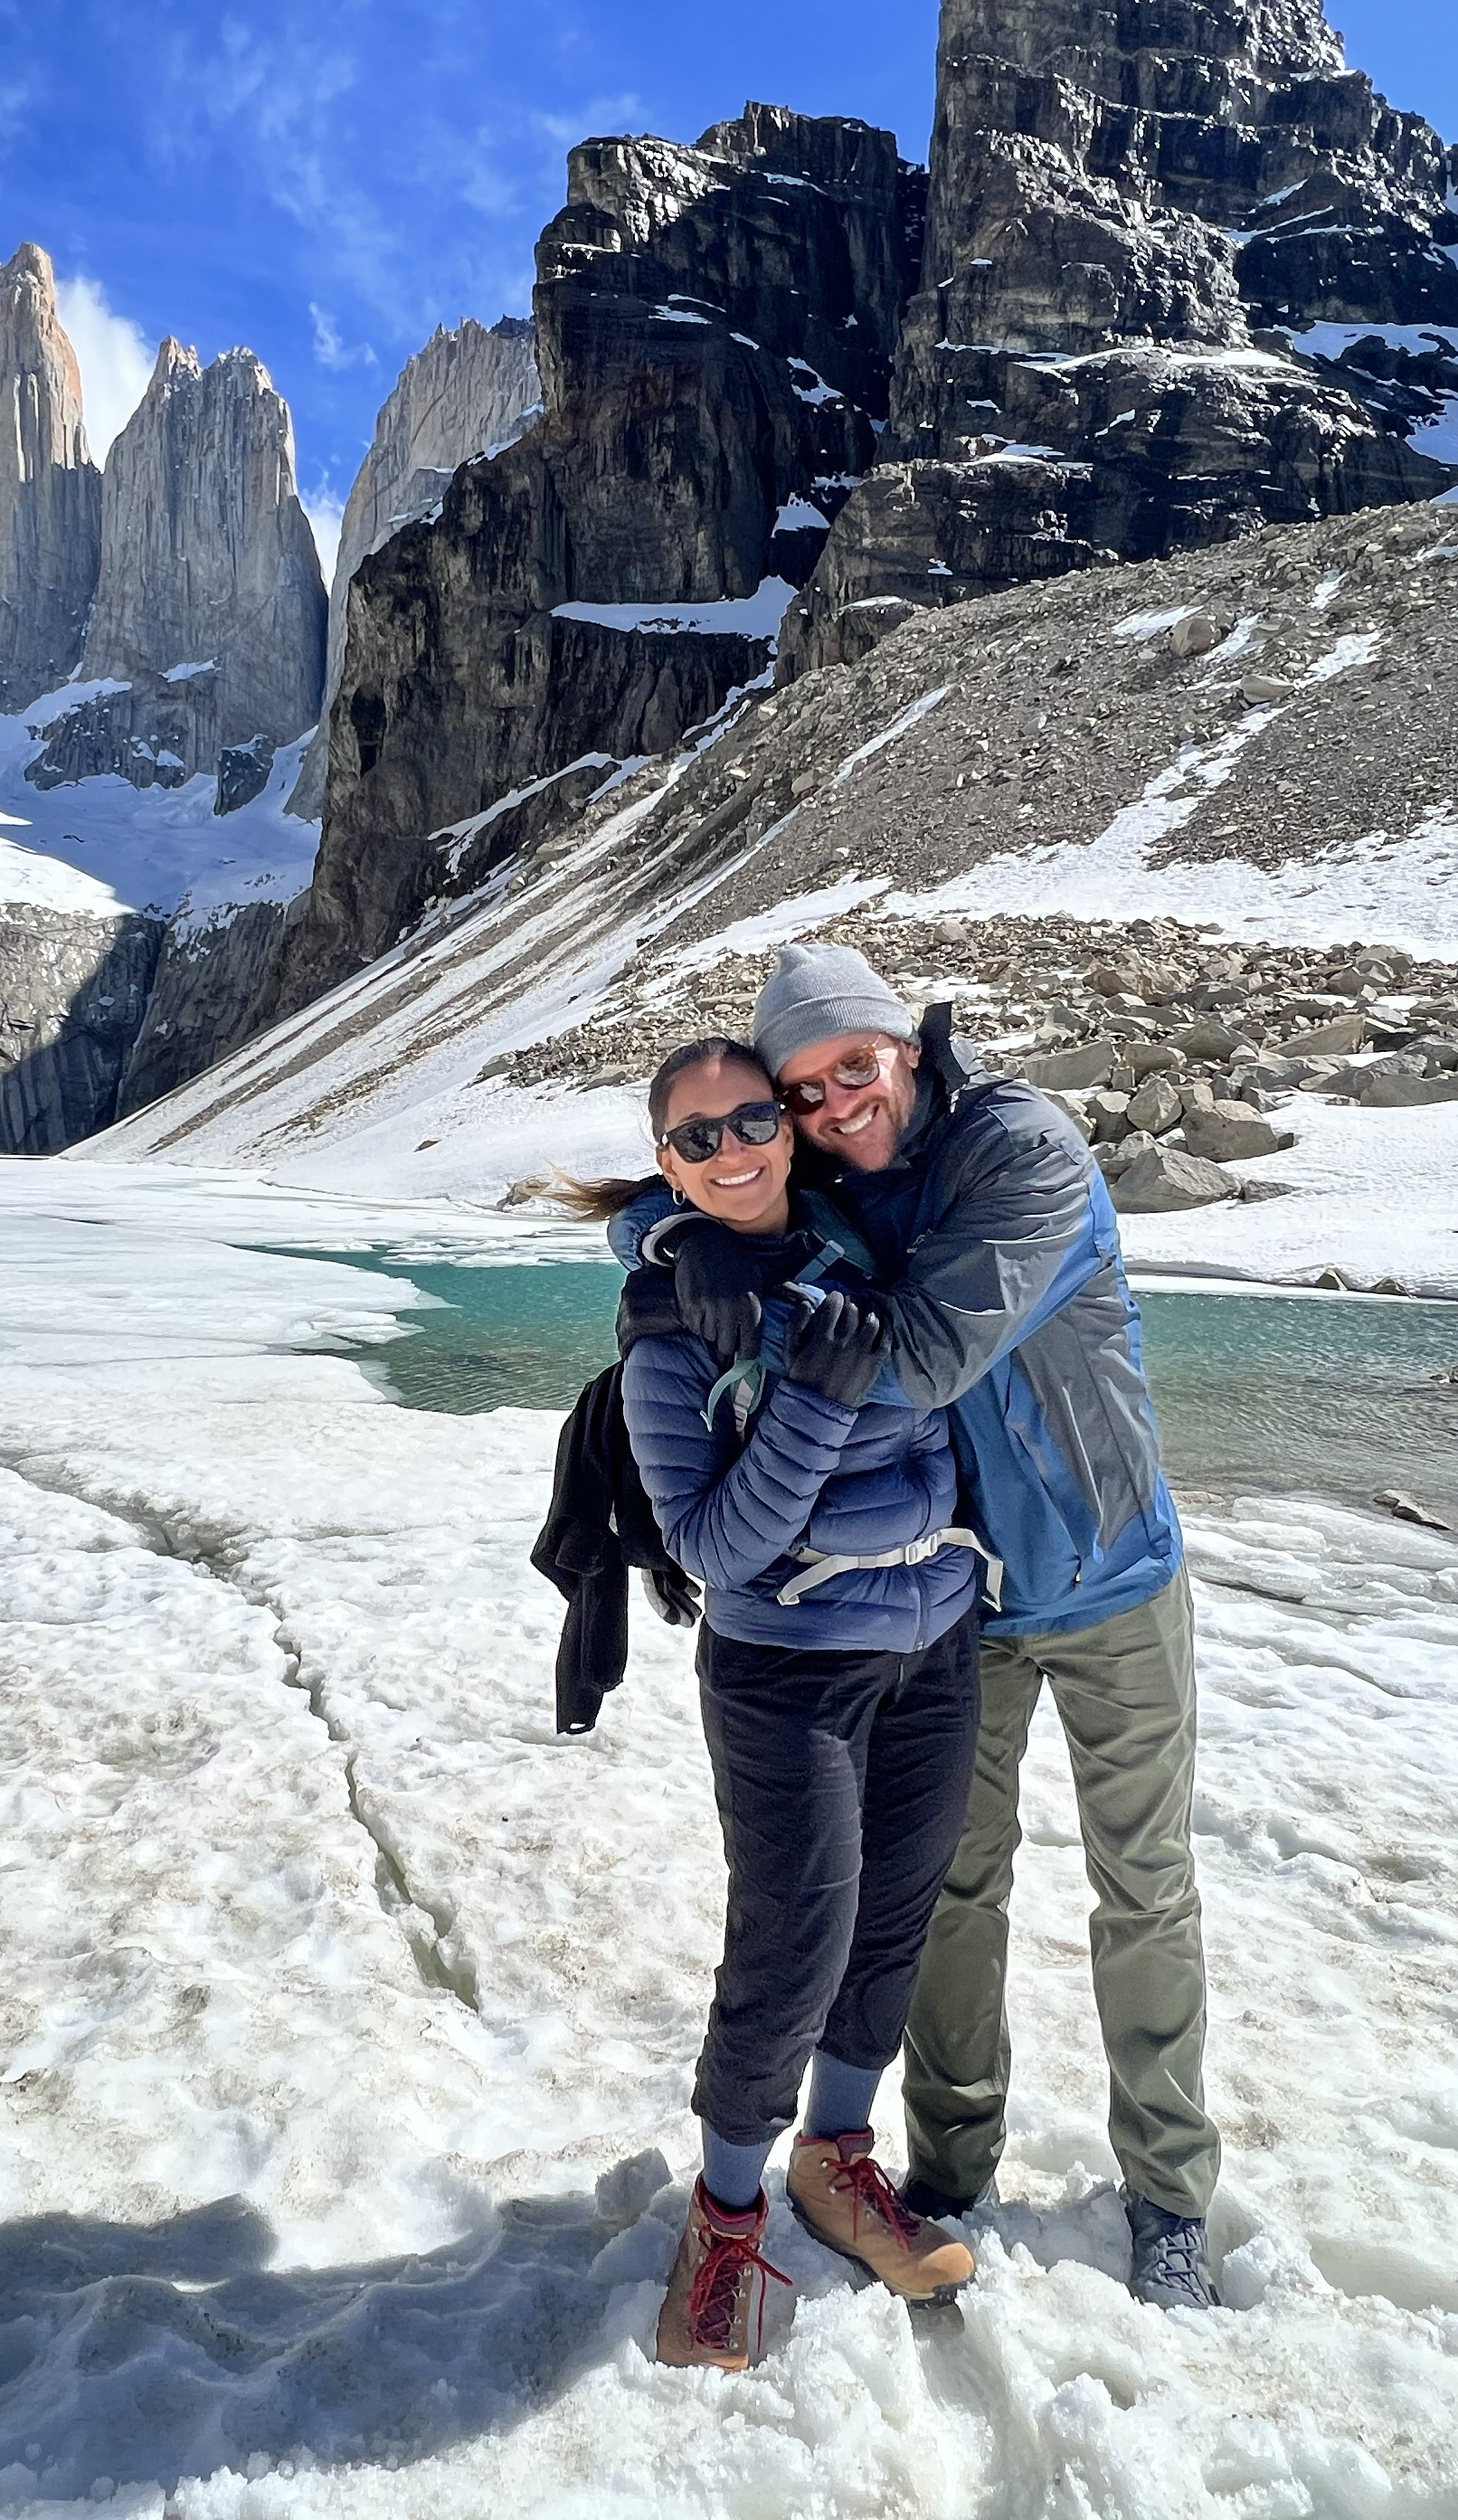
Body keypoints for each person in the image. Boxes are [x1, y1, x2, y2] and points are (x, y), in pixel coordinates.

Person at [706, 942, 1220, 2311]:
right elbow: (713, 1198)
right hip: (966, 1605)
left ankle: (1168, 2193)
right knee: (946, 1893)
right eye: (803, 1094)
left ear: (908, 1051)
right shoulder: (839, 1180)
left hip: (1113, 1576)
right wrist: (663, 1250)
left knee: (1143, 1883)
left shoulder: (1024, 1149)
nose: (832, 1109)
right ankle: (948, 2168)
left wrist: (774, 1306)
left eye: (852, 1070)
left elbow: (932, 1353)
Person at [588, 1034, 989, 2373]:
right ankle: (726, 2218)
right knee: (792, 1944)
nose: (734, 1151)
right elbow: (713, 1548)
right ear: (666, 1161)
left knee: (893, 1916)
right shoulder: (669, 1330)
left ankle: (837, 2154)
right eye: (696, 1139)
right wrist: (810, 1408)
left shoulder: (852, 1239)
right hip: (788, 1676)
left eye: (752, 1119)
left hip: (933, 1646)